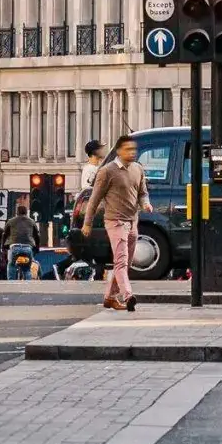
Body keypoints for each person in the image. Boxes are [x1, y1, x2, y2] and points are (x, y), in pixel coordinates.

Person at [80, 134, 145, 313]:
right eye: (128, 149)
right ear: (119, 151)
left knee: (126, 261)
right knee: (121, 260)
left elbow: (142, 192)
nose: (132, 152)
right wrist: (87, 223)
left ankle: (109, 297)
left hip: (133, 221)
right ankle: (128, 295)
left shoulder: (138, 169)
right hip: (115, 221)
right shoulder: (106, 171)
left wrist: (145, 203)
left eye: (133, 149)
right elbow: (94, 199)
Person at [6, 204, 38, 278]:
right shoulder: (32, 222)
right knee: (27, 269)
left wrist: (4, 246)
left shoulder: (11, 221)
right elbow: (36, 236)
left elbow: (5, 235)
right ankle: (28, 281)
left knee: (11, 265)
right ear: (26, 212)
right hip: (28, 248)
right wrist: (36, 247)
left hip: (15, 247)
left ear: (17, 212)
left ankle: (11, 282)